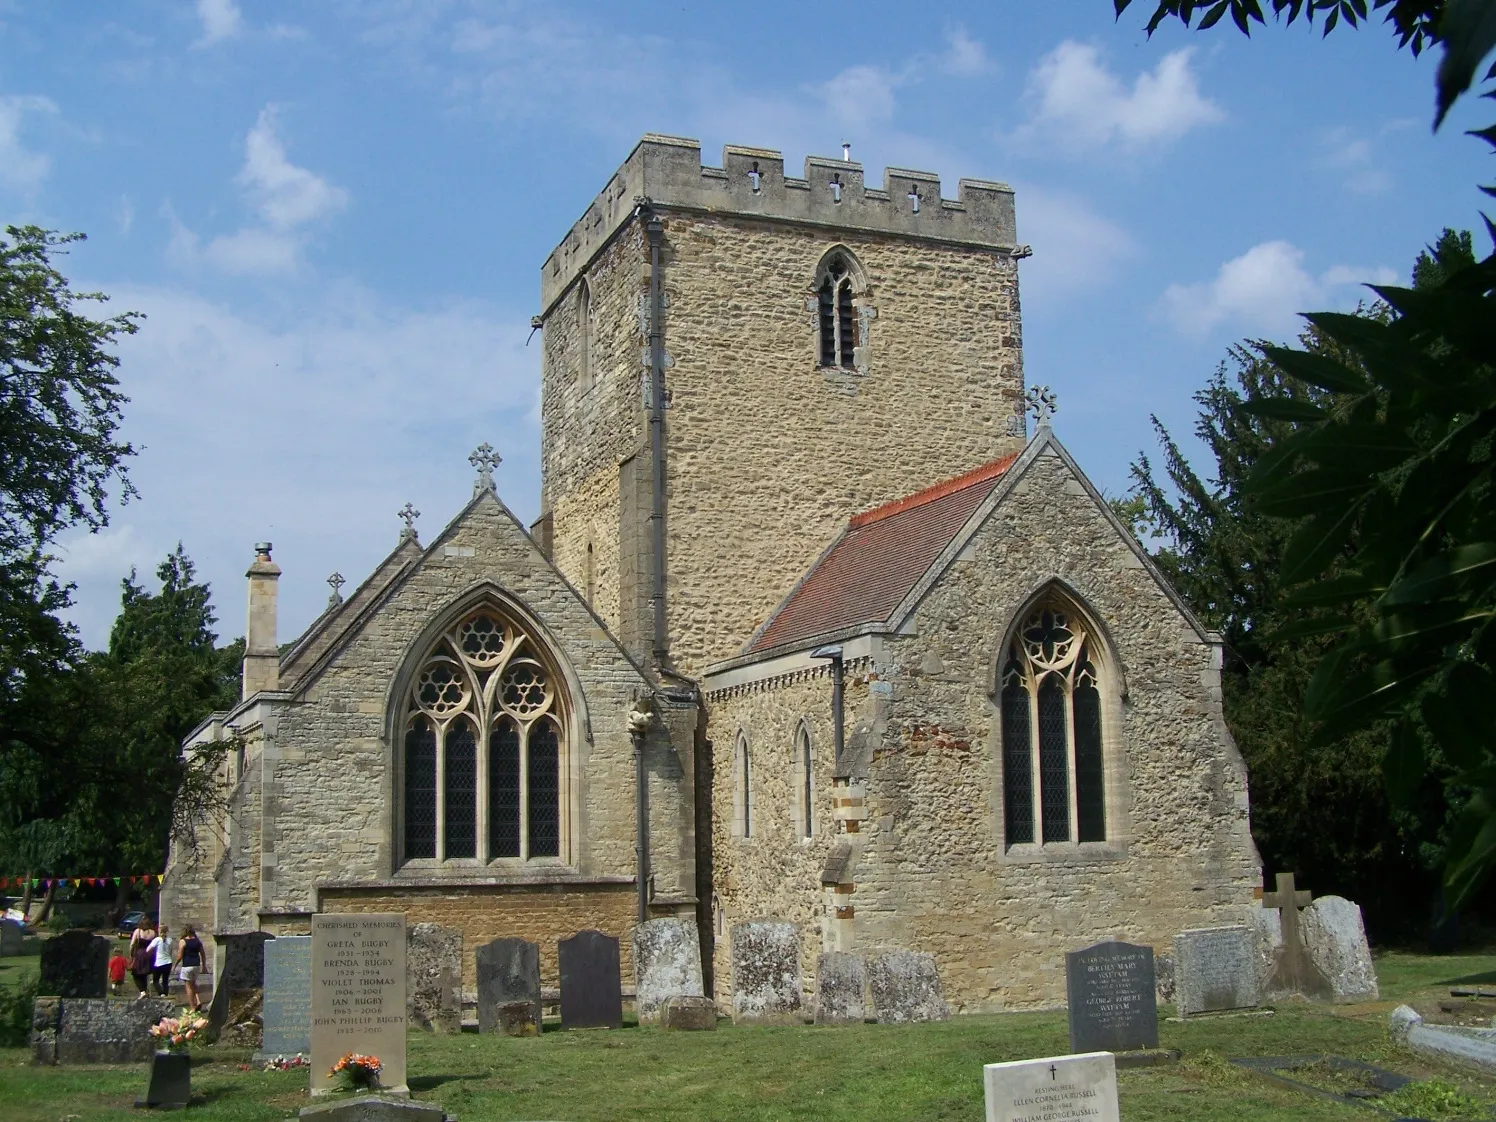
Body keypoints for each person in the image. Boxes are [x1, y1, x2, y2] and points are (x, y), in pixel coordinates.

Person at [175, 925, 205, 1012]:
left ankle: (192, 1007)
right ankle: (198, 1001)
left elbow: (180, 956)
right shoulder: (197, 941)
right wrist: (204, 966)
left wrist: (175, 965)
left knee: (188, 986)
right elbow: (203, 954)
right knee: (193, 984)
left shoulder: (183, 941)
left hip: (187, 965)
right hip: (196, 965)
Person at [148, 923, 173, 997]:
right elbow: (170, 952)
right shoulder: (170, 940)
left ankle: (161, 993)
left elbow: (148, 950)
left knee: (155, 980)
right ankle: (166, 994)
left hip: (159, 962)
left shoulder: (157, 940)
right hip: (168, 962)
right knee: (165, 981)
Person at [130, 931, 154, 999]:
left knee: (136, 974)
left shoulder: (138, 931)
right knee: (144, 974)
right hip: (148, 955)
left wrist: (131, 954)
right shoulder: (153, 933)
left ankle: (142, 991)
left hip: (139, 954)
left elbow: (132, 944)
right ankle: (145, 992)